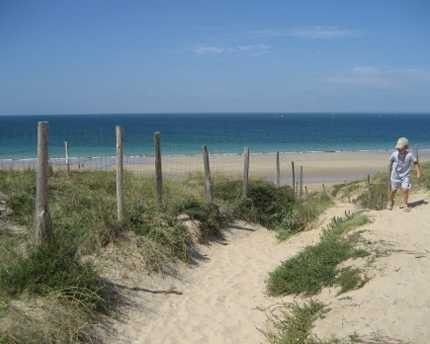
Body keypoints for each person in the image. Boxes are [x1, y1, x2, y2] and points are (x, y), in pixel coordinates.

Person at [388, 137, 422, 211]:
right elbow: (390, 162)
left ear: (406, 147)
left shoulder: (409, 155)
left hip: (405, 175)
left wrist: (418, 172)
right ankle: (390, 201)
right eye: (398, 148)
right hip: (395, 175)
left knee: (405, 189)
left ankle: (405, 204)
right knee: (393, 190)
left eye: (400, 148)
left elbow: (415, 163)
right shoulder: (394, 154)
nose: (399, 149)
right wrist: (390, 170)